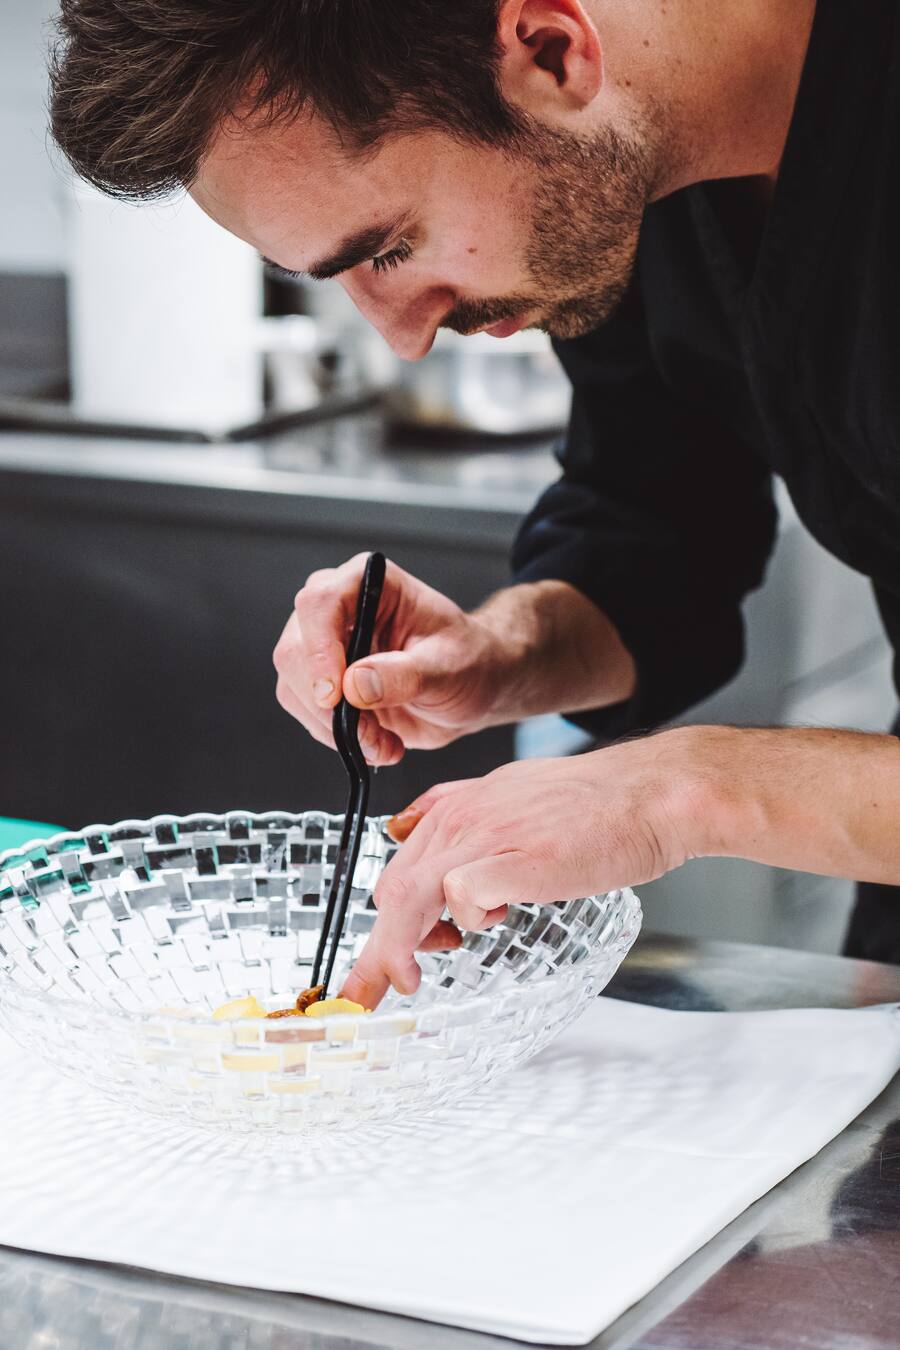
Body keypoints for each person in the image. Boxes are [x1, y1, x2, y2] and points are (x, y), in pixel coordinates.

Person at [48, 0, 900, 1005]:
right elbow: (660, 526)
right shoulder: (615, 161)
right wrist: (497, 657)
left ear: (549, 46)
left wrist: (673, 793)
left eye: (392, 248)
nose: (402, 340)